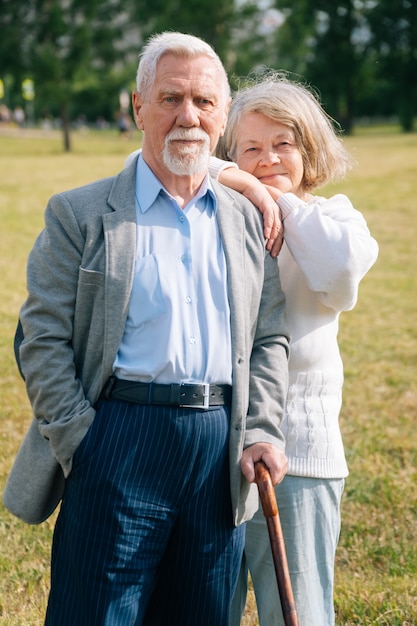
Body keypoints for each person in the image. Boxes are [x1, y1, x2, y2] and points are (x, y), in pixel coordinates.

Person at [3, 33, 290, 626]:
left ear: (224, 115)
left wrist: (261, 429)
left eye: (205, 102)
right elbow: (40, 338)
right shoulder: (78, 214)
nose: (189, 116)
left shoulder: (246, 221)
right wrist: (81, 439)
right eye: (170, 98)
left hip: (219, 448)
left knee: (204, 614)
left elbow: (269, 339)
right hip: (117, 438)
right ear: (137, 107)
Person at [213, 74, 379, 626]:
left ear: (309, 150)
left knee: (301, 612)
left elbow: (339, 270)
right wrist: (248, 188)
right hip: (216, 450)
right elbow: (164, 164)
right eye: (250, 149)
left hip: (300, 453)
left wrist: (278, 198)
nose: (267, 159)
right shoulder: (219, 210)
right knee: (207, 606)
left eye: (283, 145)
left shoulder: (334, 218)